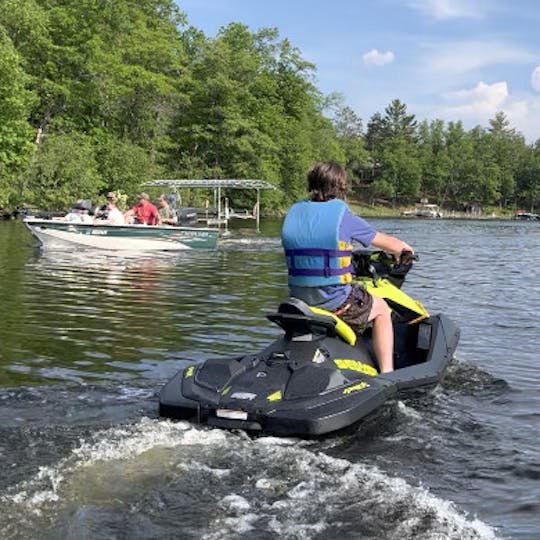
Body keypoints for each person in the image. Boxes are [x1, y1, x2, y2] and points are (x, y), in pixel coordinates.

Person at [281, 161, 414, 373]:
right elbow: (384, 241)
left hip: (299, 297)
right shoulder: (342, 216)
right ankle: (387, 374)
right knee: (381, 309)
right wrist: (404, 248)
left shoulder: (295, 212)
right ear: (340, 187)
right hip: (334, 301)